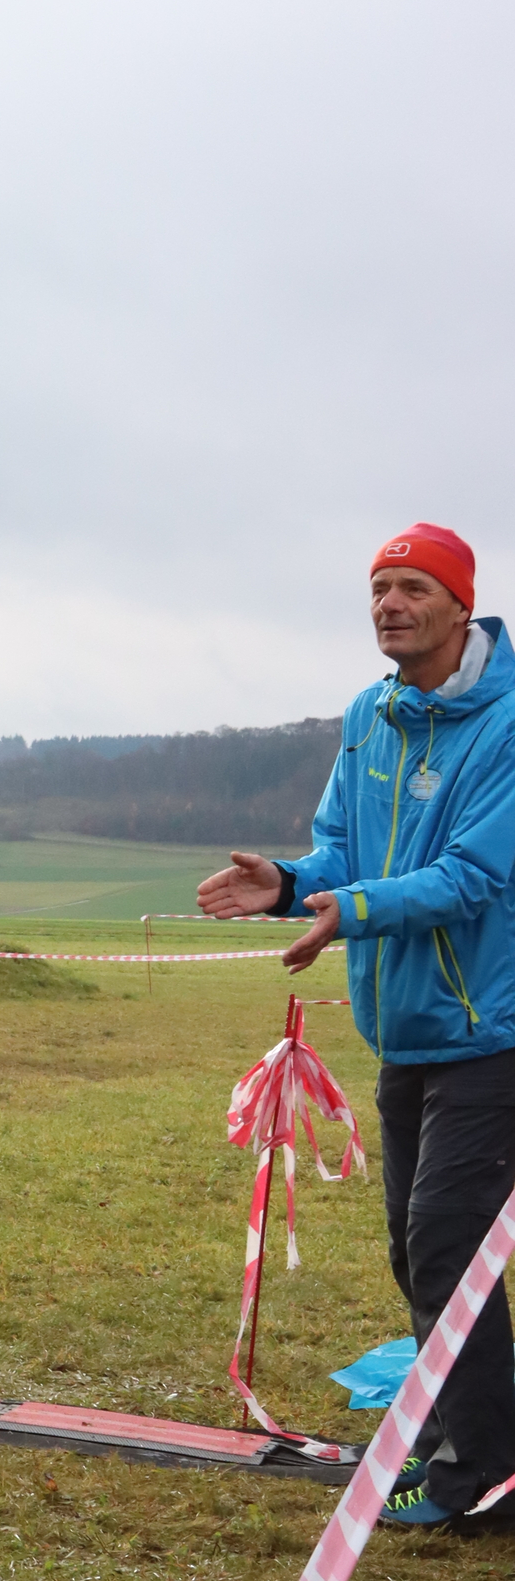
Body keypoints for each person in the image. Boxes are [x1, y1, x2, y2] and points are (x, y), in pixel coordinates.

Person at [199, 521, 515, 1528]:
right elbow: (341, 850)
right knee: (414, 1249)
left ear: (460, 605)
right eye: (379, 587)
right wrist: (292, 882)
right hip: (403, 1028)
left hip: (491, 1031)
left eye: (413, 587)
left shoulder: (507, 724)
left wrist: (354, 907)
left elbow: (472, 875)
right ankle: (452, 1432)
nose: (389, 604)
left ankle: (486, 1476)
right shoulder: (368, 716)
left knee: (445, 1244)